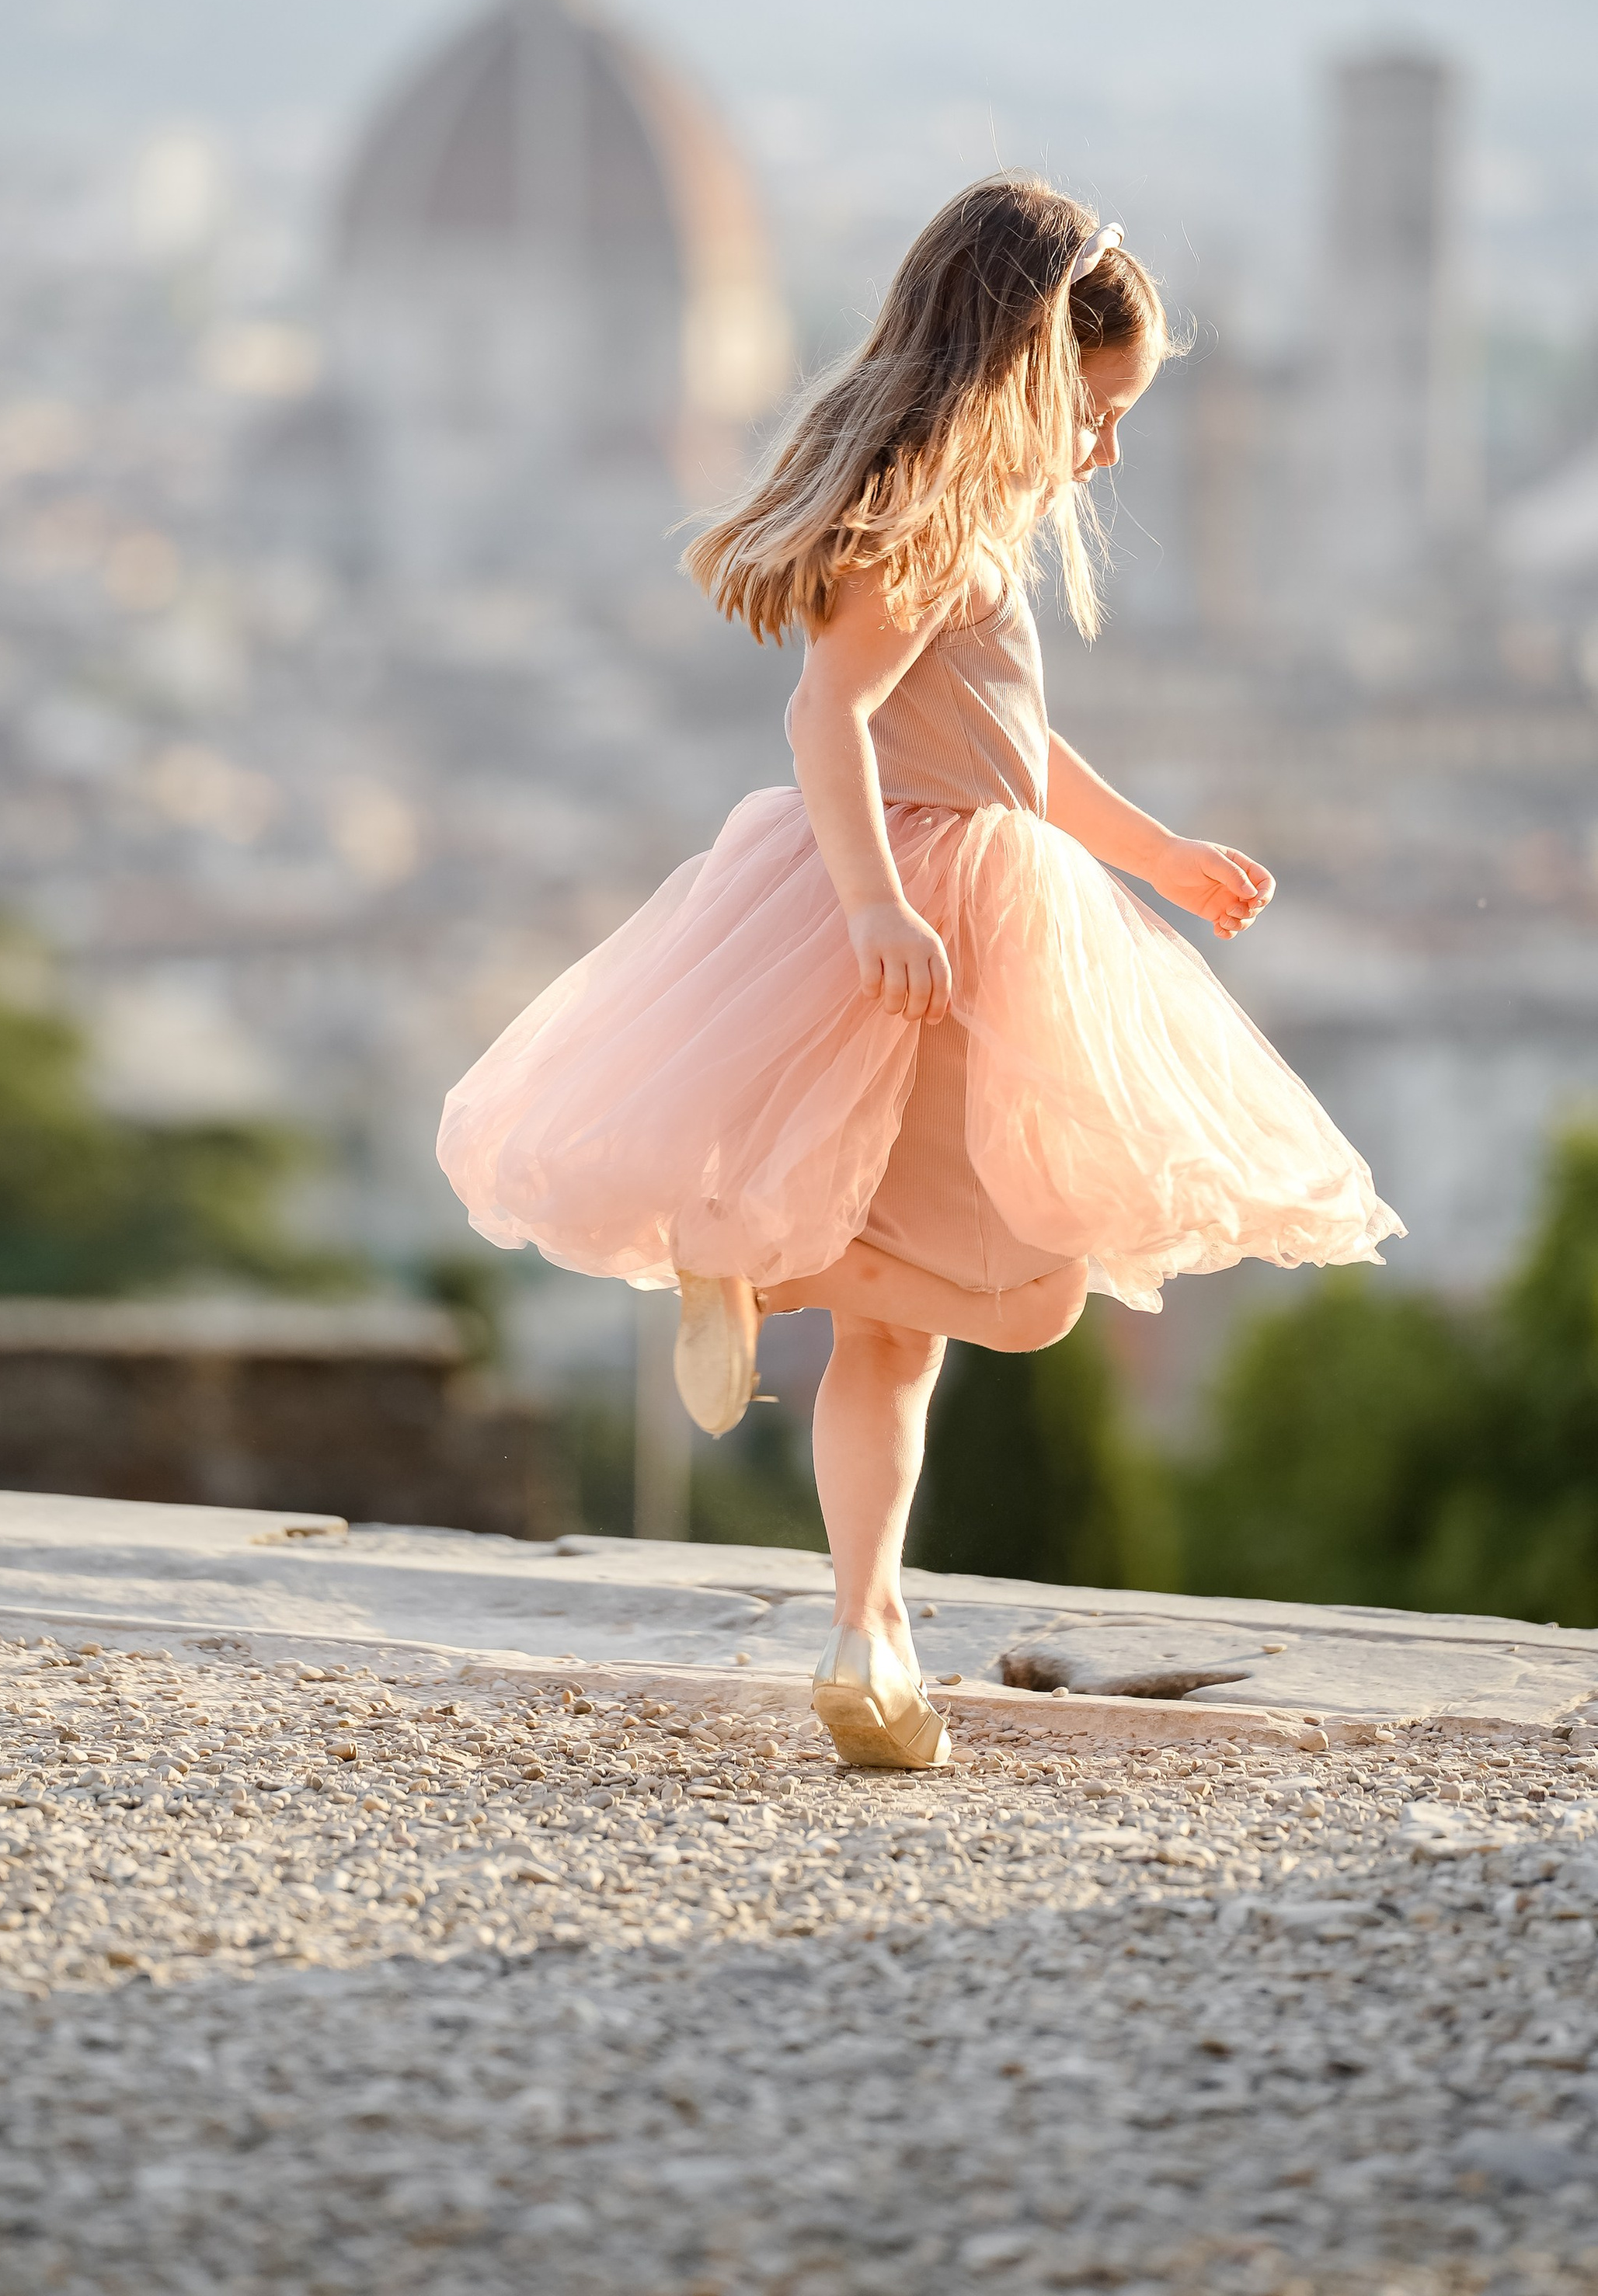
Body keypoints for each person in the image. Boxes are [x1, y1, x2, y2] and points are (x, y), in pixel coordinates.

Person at [437, 176, 1401, 1771]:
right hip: (925, 913)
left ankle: (863, 1628)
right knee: (1016, 1293)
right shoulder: (942, 522)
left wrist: (1154, 853)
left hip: (938, 887)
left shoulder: (954, 520)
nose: (1100, 452)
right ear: (1025, 371)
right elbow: (829, 715)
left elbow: (1009, 746)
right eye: (1093, 411)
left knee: (914, 1328)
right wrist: (882, 906)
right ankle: (751, 1272)